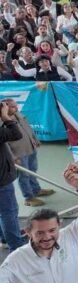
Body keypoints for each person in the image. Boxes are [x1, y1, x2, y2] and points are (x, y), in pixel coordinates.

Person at [5, 98, 53, 207]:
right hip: (19, 154)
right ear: (5, 107)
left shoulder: (18, 114)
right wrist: (13, 158)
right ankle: (29, 198)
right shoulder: (2, 122)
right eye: (13, 106)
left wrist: (34, 139)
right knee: (24, 176)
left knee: (32, 171)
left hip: (30, 148)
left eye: (16, 105)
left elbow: (28, 127)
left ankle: (36, 190)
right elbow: (4, 144)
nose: (16, 108)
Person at [0, 100, 24, 251]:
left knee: (2, 213)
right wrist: (5, 116)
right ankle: (16, 247)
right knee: (9, 212)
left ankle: (5, 237)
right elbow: (16, 133)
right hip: (2, 181)